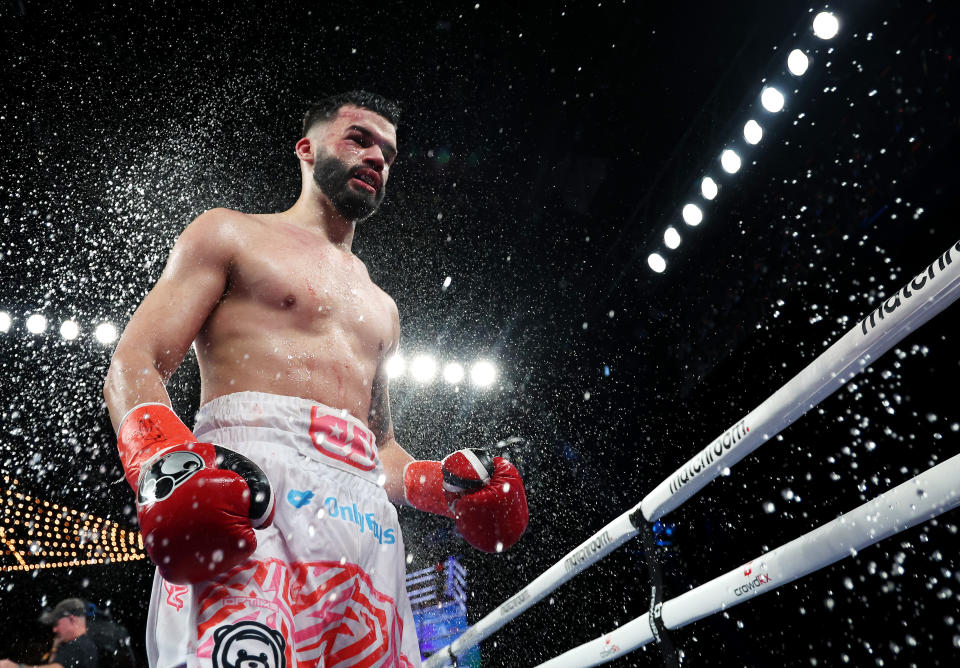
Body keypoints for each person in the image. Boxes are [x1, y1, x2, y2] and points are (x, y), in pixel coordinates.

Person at [102, 90, 529, 668]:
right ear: (306, 148)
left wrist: (445, 488)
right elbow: (135, 363)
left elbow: (378, 449)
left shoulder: (383, 307)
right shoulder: (229, 234)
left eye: (389, 153)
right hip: (253, 493)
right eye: (360, 138)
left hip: (366, 526)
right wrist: (163, 466)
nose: (378, 157)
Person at [0, 598, 99, 668]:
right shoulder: (82, 644)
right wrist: (55, 647)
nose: (54, 629)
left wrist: (14, 667)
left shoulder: (79, 645)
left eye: (56, 623)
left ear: (71, 619)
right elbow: (54, 664)